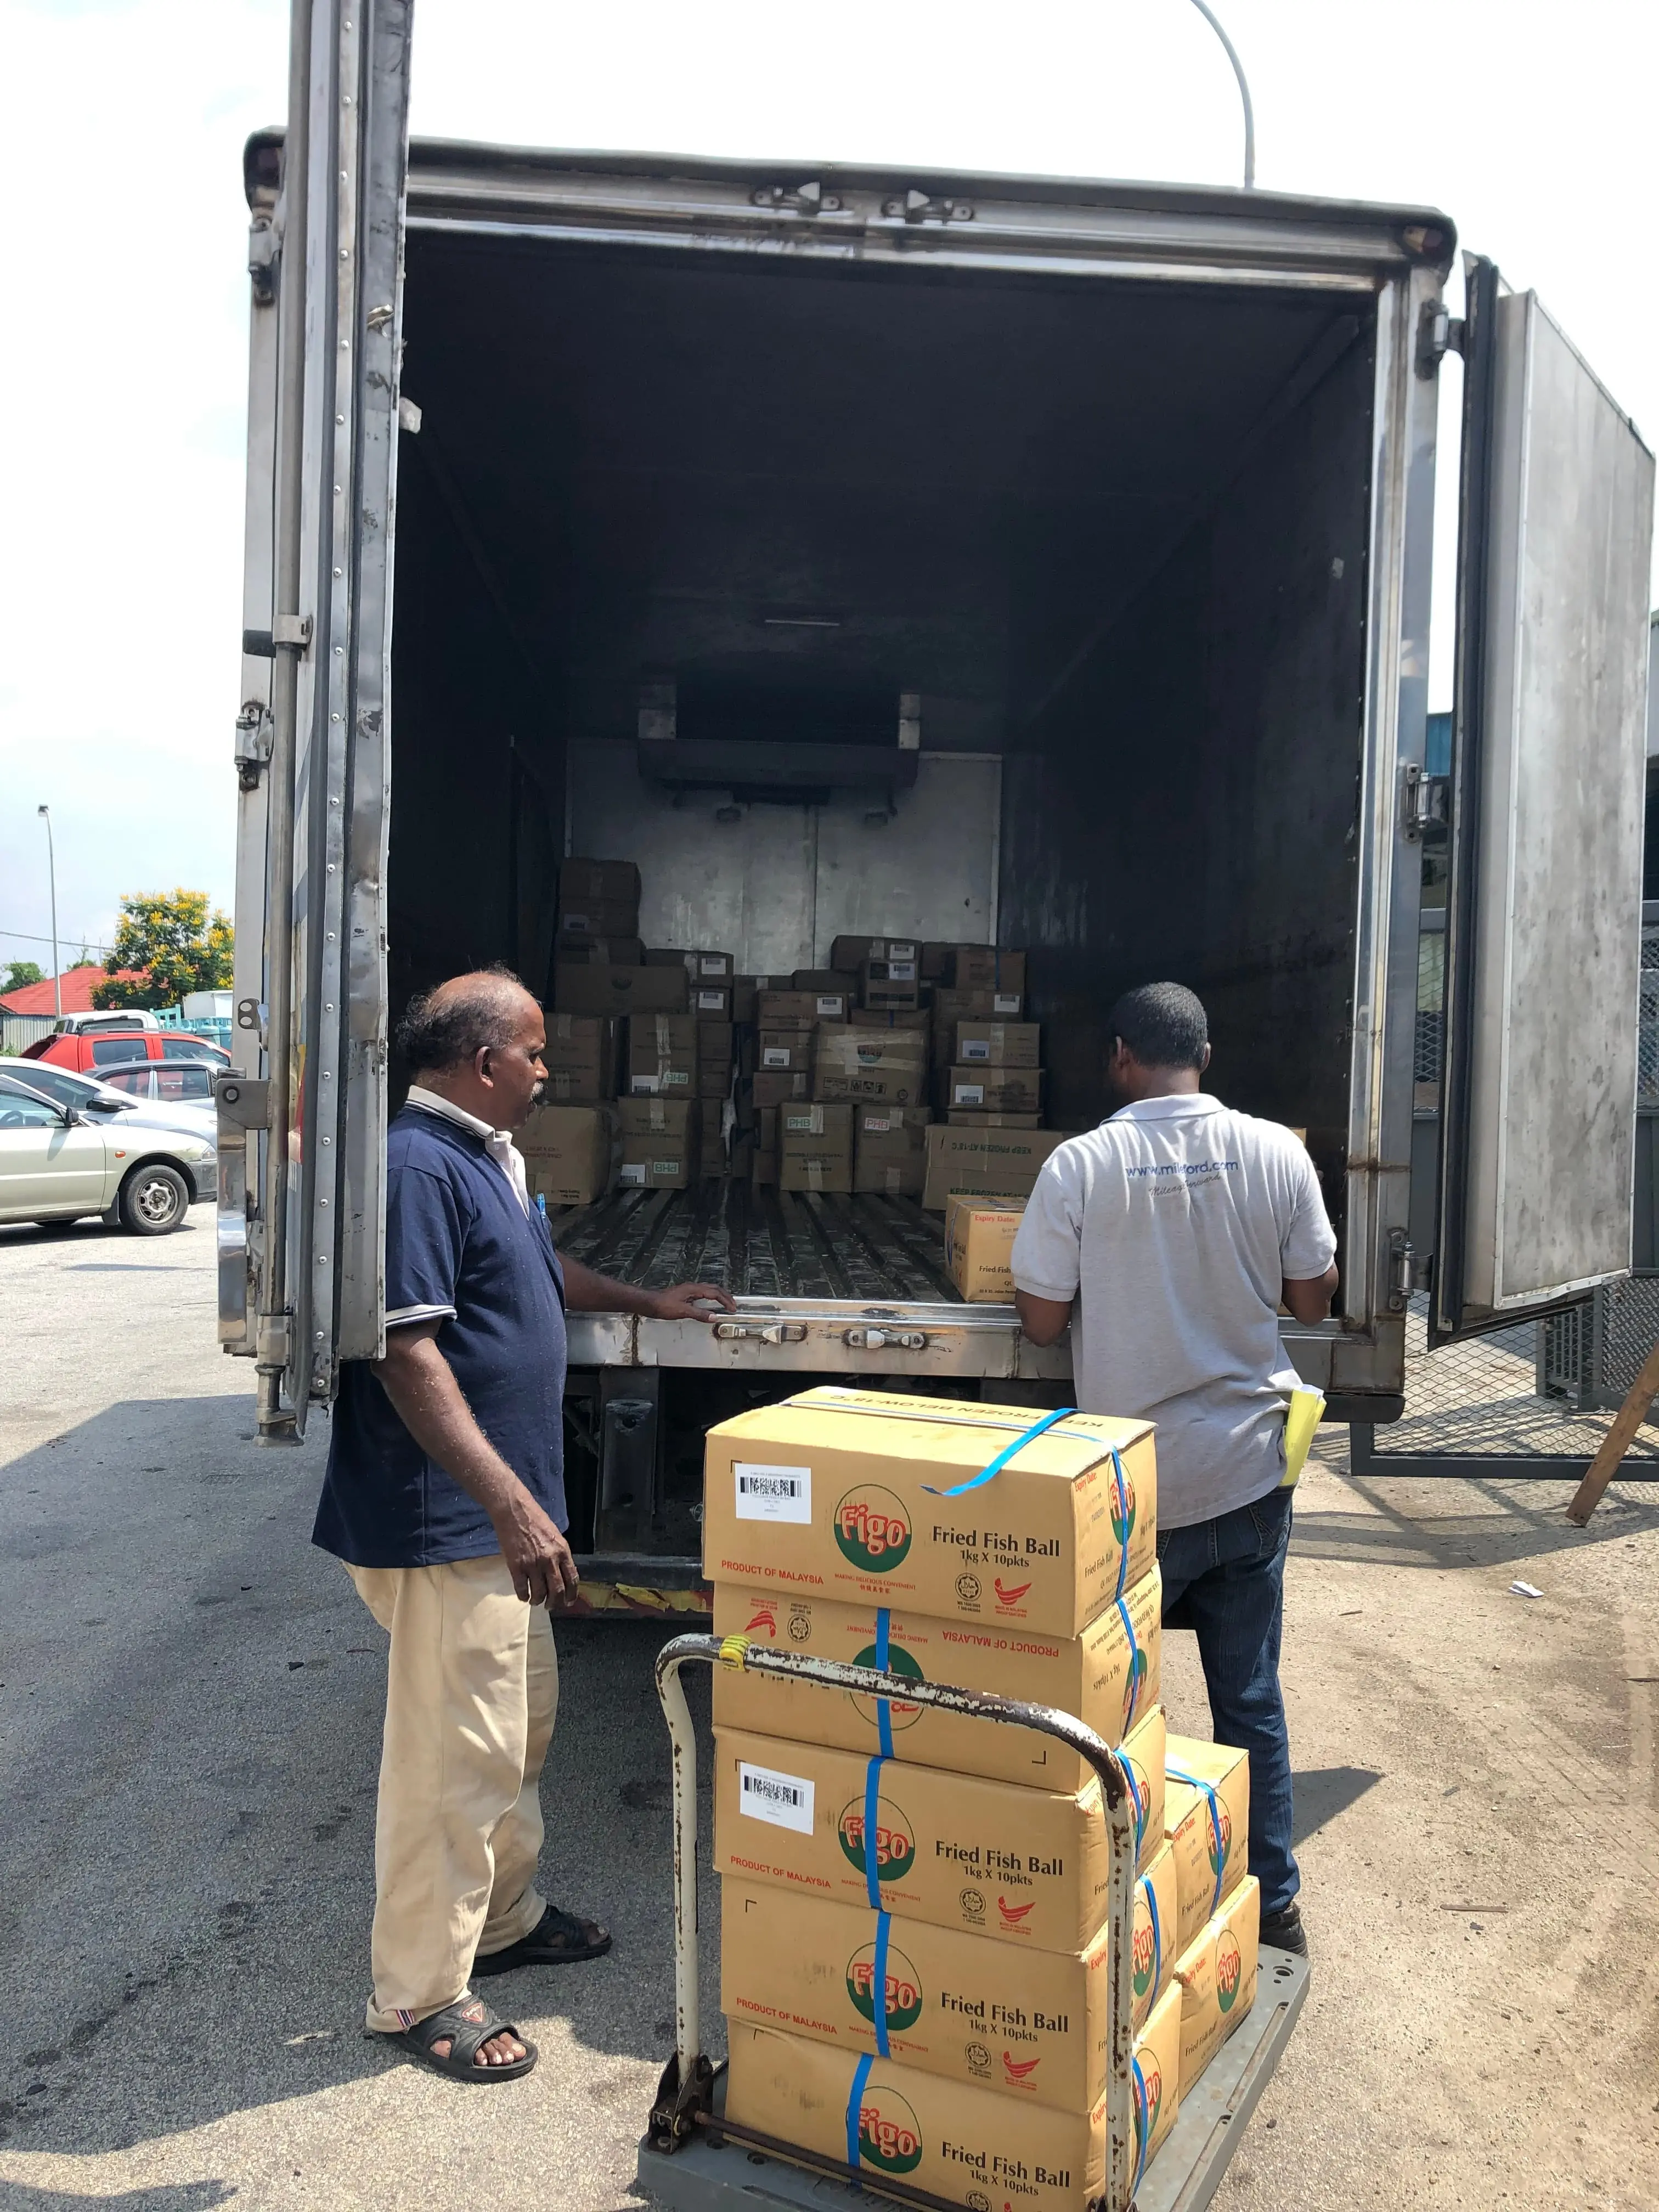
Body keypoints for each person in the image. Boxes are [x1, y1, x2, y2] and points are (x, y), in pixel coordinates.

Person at [313, 967, 735, 2079]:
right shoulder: (416, 1167)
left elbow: (532, 1275)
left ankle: (501, 1923)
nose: (549, 1072)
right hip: (446, 1519)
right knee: (451, 1766)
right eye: (537, 1053)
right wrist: (508, 1503)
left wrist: (649, 1303)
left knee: (519, 1730)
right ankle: (416, 1996)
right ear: (485, 1059)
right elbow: (409, 1348)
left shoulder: (480, 1155)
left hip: (492, 1522)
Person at [1009, 981, 1336, 1957]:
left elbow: (1039, 1319)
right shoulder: (1279, 1150)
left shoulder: (1081, 1166)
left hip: (1131, 1492)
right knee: (1250, 1701)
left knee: (1118, 1710)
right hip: (1245, 1473)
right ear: (1208, 1053)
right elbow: (1314, 1301)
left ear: (1119, 1057)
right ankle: (1273, 1903)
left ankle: (1126, 1917)